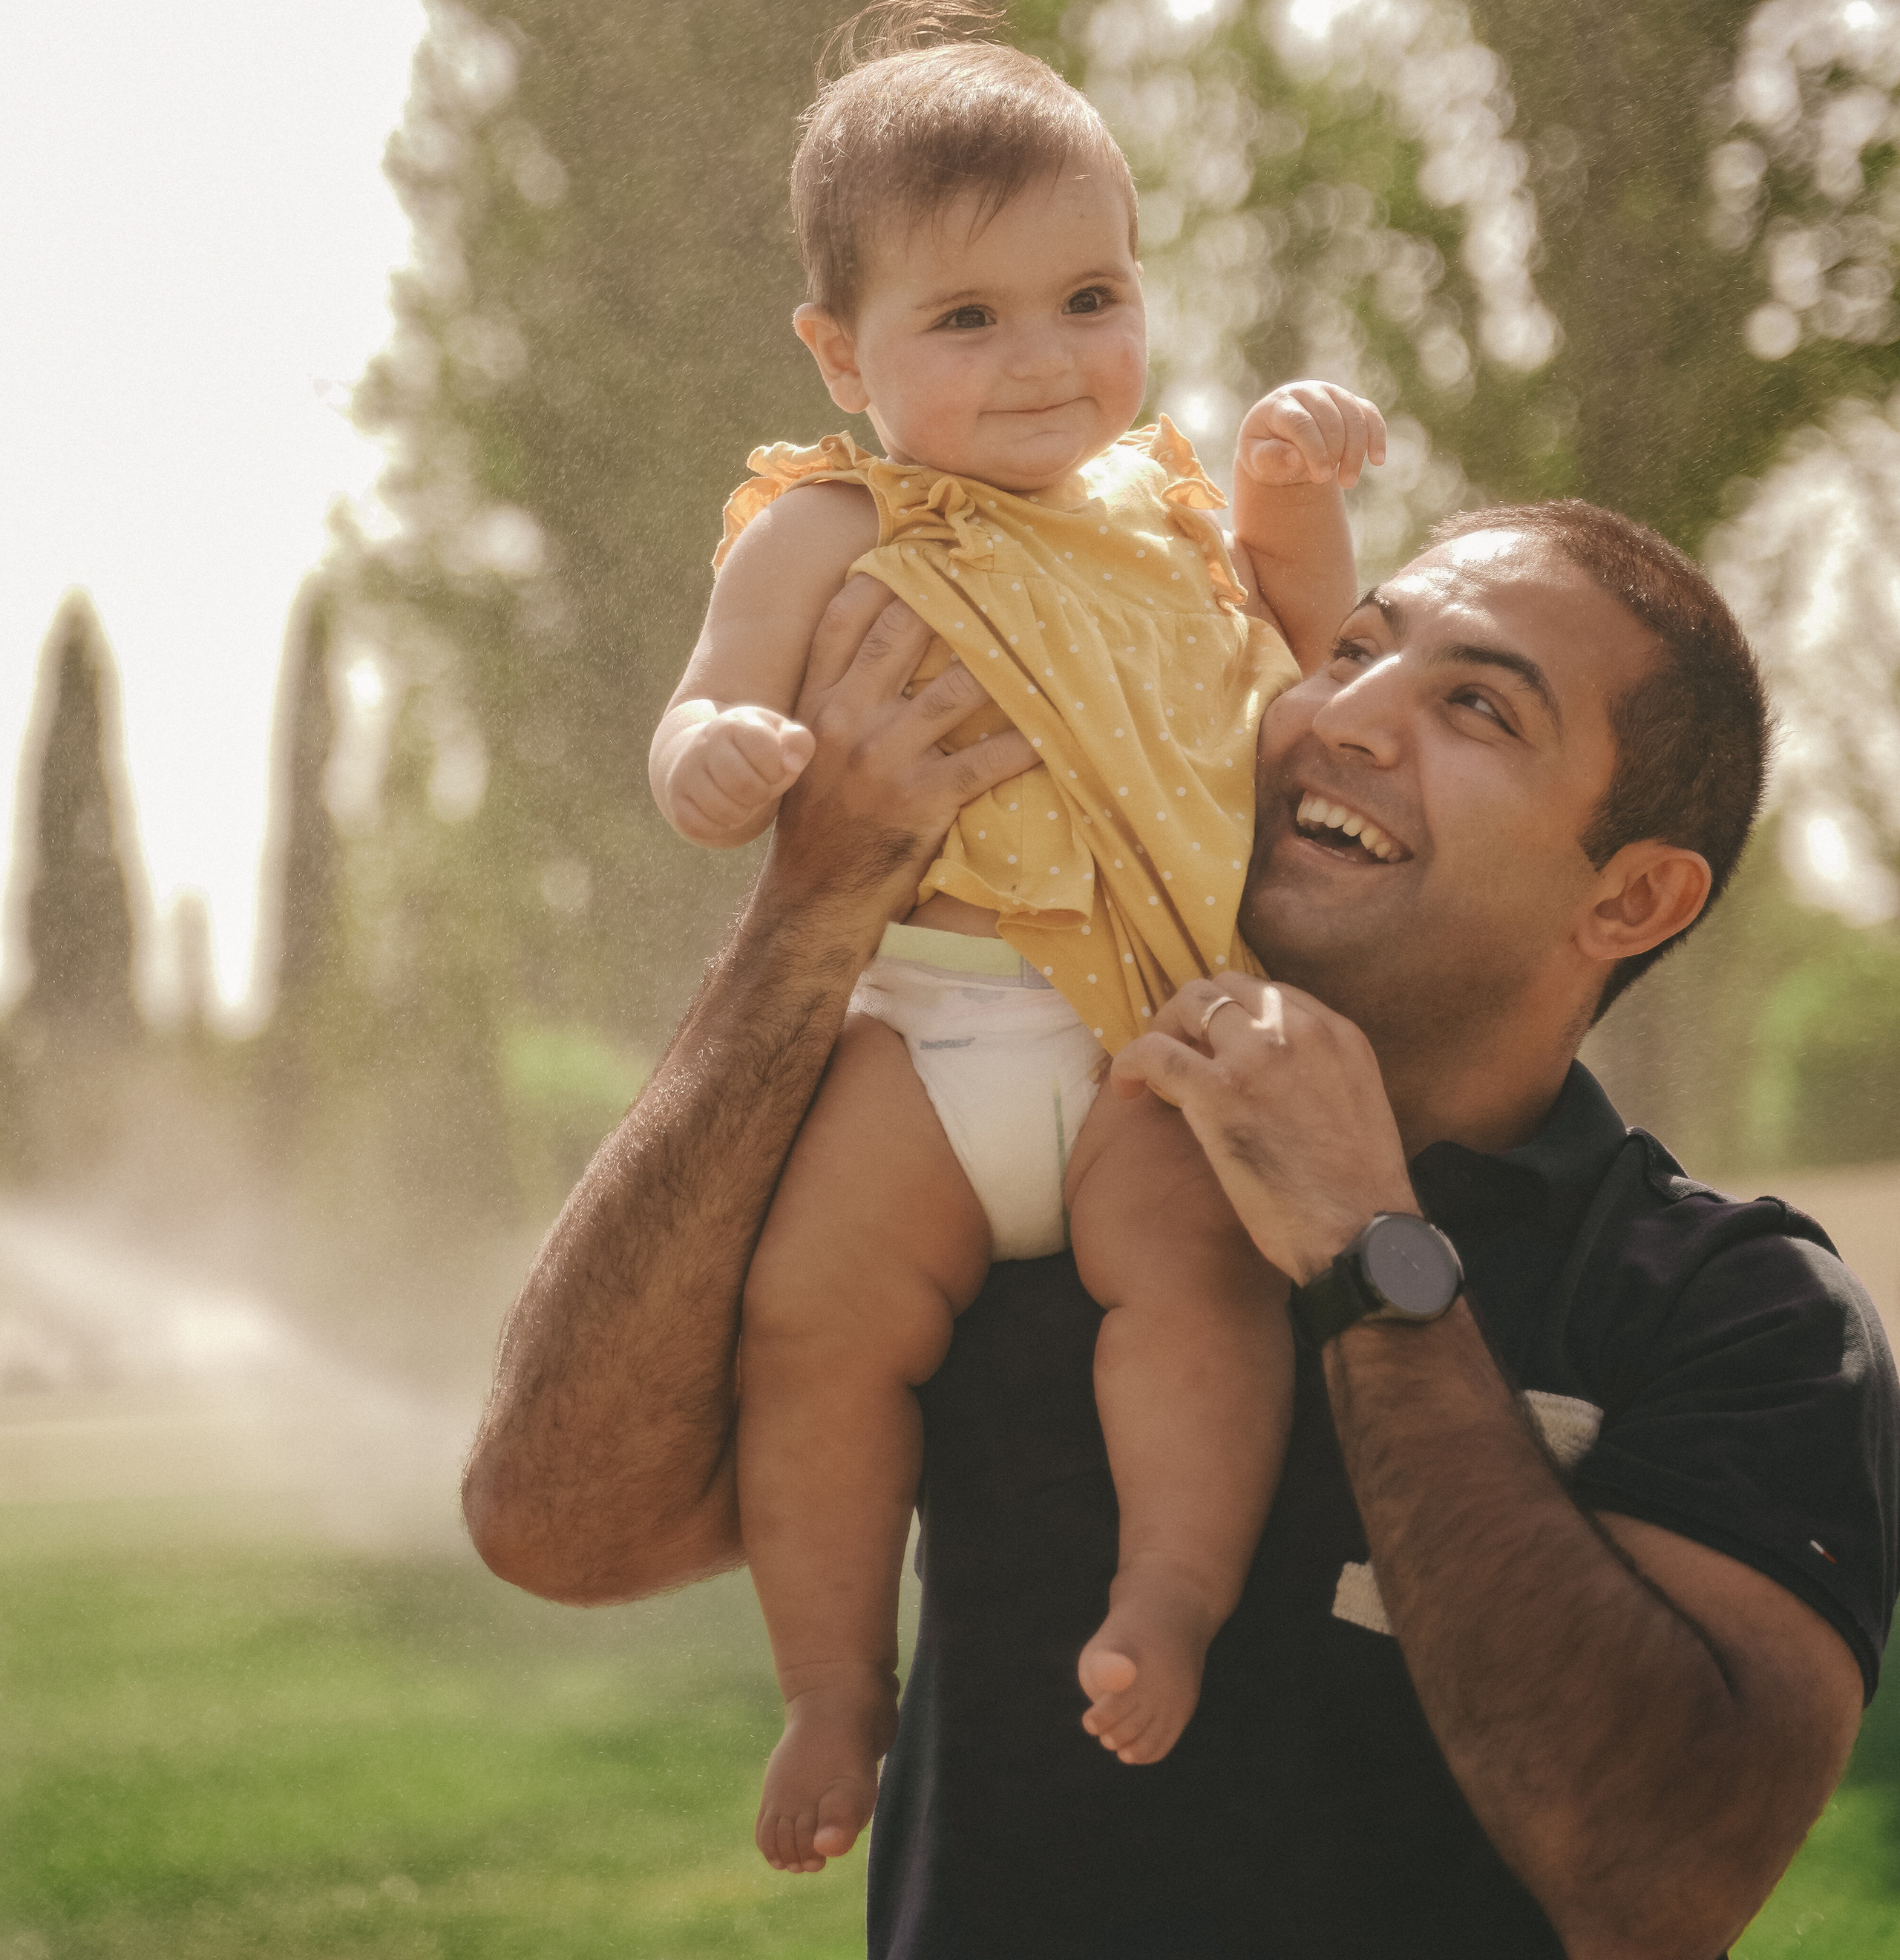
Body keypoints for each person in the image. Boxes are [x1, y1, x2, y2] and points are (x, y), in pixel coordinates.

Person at [464, 500, 1900, 1959]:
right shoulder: (1034, 1165)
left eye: (1476, 706)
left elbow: (1659, 1883)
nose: (1343, 716)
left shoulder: (1742, 1310)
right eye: (1352, 652)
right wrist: (811, 912)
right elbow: (563, 1522)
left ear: (1632, 896)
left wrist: (1364, 1246)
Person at [647, 0, 1386, 1865]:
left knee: (1196, 1291)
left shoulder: (1164, 509)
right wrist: (715, 752)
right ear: (840, 353)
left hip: (1149, 1038)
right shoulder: (829, 523)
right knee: (810, 1330)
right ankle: (833, 1684)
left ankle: (1169, 1599)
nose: (1045, 358)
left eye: (1088, 298)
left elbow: (1305, 639)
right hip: (928, 1035)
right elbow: (705, 689)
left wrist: (1290, 491)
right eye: (965, 319)